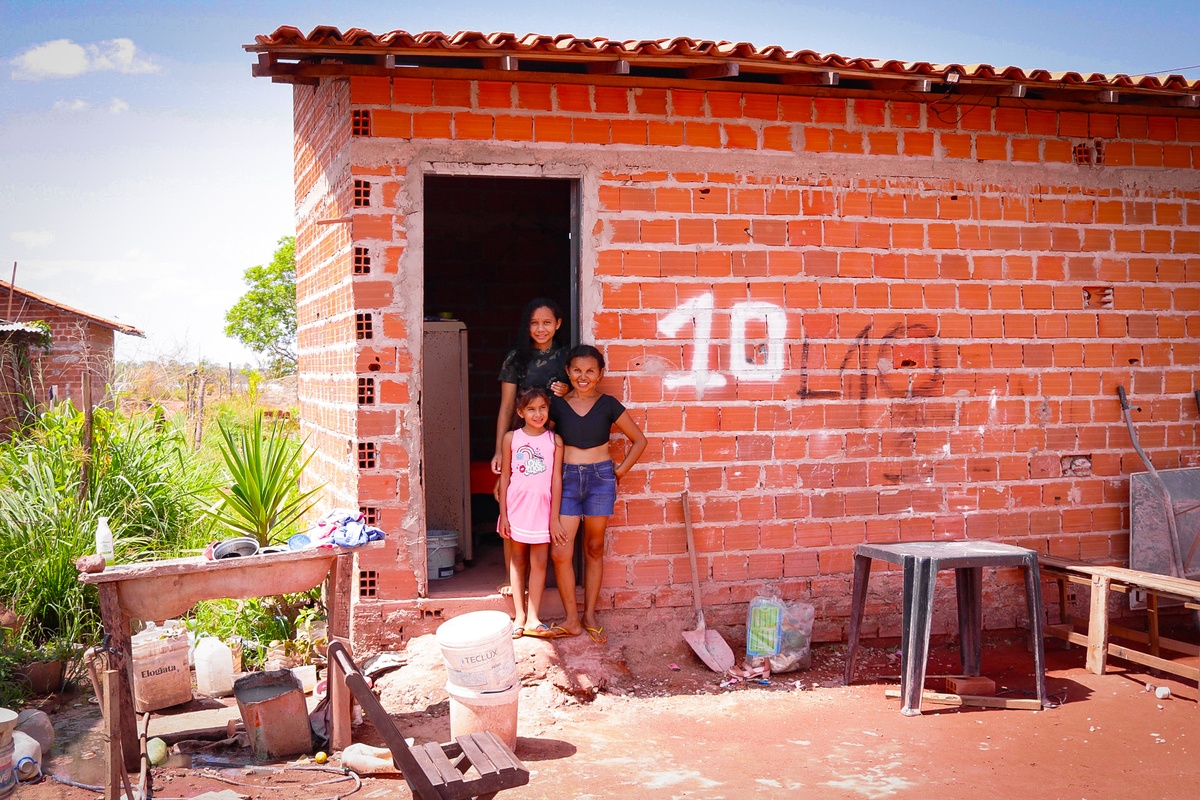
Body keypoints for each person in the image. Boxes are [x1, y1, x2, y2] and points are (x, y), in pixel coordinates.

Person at [546, 345, 648, 643]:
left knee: (593, 547)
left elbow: (639, 441)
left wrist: (619, 472)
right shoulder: (557, 405)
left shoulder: (608, 404)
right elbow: (542, 440)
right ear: (568, 371)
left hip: (600, 479)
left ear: (600, 374)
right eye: (577, 370)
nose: (583, 376)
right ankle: (571, 619)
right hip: (566, 480)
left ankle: (589, 614)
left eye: (590, 371)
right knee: (560, 551)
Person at [491, 298, 570, 597]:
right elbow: (507, 406)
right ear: (528, 326)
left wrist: (569, 388)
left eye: (547, 322)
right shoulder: (516, 358)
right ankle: (512, 578)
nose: (541, 329)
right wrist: (500, 448)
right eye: (535, 323)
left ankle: (545, 576)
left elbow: (583, 388)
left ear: (558, 324)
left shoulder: (566, 356)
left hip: (555, 442)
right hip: (521, 440)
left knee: (550, 503)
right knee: (512, 500)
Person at [497, 386, 564, 638]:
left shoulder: (554, 440)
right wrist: (503, 513)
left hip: (543, 508)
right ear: (520, 411)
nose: (538, 414)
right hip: (517, 506)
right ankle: (520, 616)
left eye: (543, 408)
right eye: (531, 409)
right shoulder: (511, 438)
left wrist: (554, 517)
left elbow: (556, 480)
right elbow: (505, 477)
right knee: (518, 559)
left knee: (539, 561)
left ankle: (534, 616)